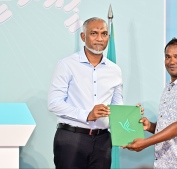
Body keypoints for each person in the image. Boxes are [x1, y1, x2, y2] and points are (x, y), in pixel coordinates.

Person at [47, 17, 123, 169]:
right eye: (94, 33)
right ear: (83, 37)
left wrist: (131, 114)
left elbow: (116, 107)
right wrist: (87, 115)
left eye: (104, 34)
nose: (100, 38)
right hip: (71, 138)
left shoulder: (115, 70)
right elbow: (54, 103)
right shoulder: (67, 65)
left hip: (103, 141)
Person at [123, 37, 177, 169]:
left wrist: (145, 143)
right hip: (165, 163)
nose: (171, 61)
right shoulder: (169, 87)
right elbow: (170, 125)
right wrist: (151, 126)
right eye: (168, 57)